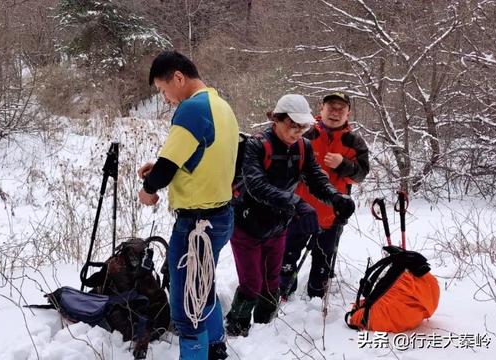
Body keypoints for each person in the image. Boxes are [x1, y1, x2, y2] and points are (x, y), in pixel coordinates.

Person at [225, 94, 356, 337]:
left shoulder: (303, 147)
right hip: (247, 226)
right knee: (251, 283)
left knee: (272, 282)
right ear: (276, 119)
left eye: (303, 126)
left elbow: (317, 180)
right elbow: (256, 185)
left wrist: (336, 197)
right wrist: (297, 203)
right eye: (292, 125)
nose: (297, 132)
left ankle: (265, 328)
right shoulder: (256, 145)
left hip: (278, 226)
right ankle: (237, 327)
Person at [138, 50, 239, 360]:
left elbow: (167, 167)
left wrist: (149, 187)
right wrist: (161, 169)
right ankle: (215, 347)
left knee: (186, 306)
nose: (166, 98)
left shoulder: (191, 109)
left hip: (197, 223)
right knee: (202, 286)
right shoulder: (221, 107)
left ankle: (196, 355)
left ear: (178, 78)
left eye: (163, 89)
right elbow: (204, 157)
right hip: (221, 216)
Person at [280, 92, 370, 299]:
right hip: (299, 211)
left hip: (333, 215)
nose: (335, 113)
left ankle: (317, 297)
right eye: (331, 107)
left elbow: (361, 174)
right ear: (321, 109)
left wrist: (343, 165)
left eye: (341, 109)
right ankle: (282, 293)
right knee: (287, 257)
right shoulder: (305, 134)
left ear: (348, 113)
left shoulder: (354, 142)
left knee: (322, 262)